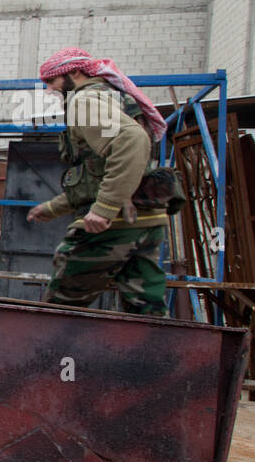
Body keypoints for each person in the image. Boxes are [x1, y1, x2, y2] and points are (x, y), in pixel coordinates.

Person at [25, 47, 170, 317]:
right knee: (146, 311)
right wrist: (53, 208)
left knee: (61, 308)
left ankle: (47, 357)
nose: (49, 90)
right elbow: (96, 174)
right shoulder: (114, 97)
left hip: (114, 224)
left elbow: (133, 142)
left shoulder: (85, 101)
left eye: (52, 81)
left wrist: (104, 207)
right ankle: (157, 357)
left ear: (76, 73)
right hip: (145, 218)